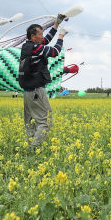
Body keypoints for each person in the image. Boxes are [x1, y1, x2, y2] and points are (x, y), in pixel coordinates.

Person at [18, 17, 65, 147]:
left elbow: (46, 40)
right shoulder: (36, 48)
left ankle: (30, 146)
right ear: (33, 36)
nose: (42, 36)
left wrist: (56, 25)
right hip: (36, 92)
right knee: (45, 122)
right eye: (40, 34)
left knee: (30, 122)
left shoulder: (27, 47)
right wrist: (61, 36)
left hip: (27, 92)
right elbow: (55, 51)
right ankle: (34, 148)